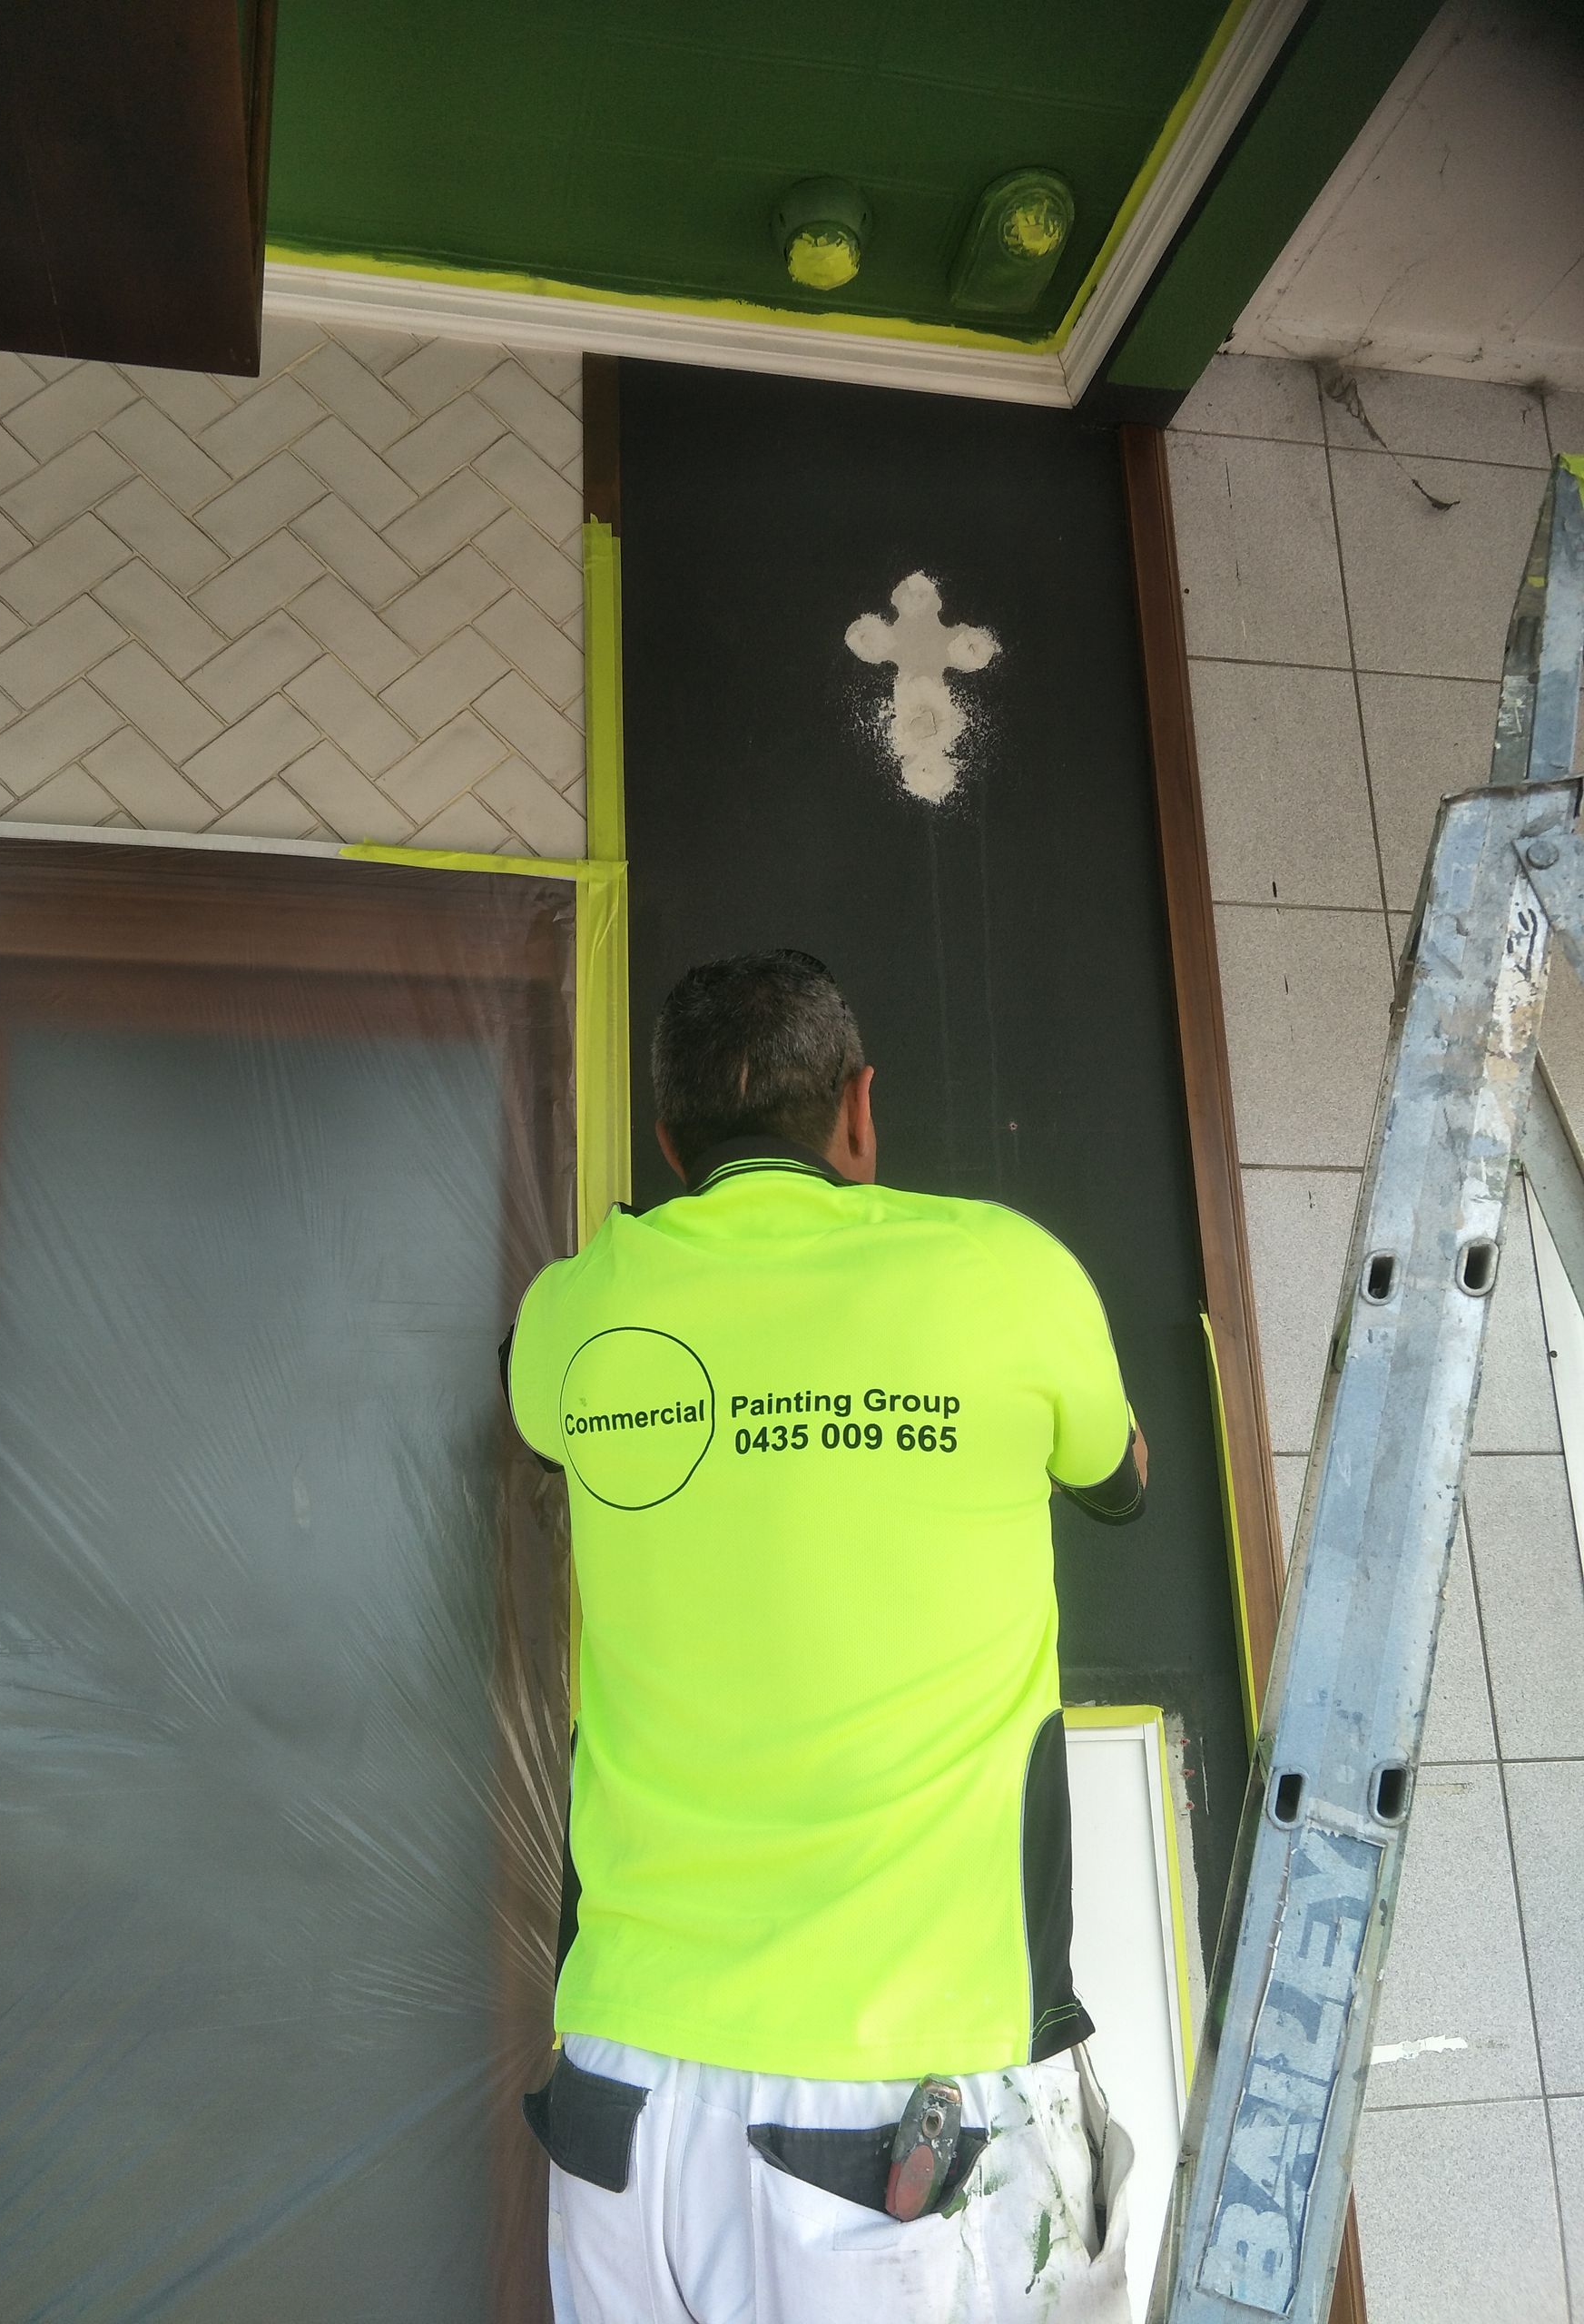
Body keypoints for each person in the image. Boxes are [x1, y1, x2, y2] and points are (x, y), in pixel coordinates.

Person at [503, 948, 1146, 2324]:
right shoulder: (1004, 1273)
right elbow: (1121, 1478)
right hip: (900, 2114)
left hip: (620, 2109)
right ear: (860, 1112)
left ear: (674, 1146)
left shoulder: (579, 1314)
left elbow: (533, 1420)